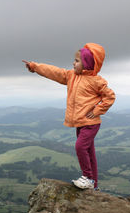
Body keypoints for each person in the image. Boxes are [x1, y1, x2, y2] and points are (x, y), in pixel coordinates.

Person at [22, 43, 115, 190]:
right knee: (89, 152)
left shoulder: (96, 81)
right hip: (80, 123)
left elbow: (110, 97)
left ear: (88, 63)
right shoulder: (71, 76)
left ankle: (87, 178)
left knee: (80, 147)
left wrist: (97, 110)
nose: (73, 63)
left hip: (91, 123)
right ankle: (93, 184)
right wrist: (35, 66)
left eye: (77, 61)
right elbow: (54, 72)